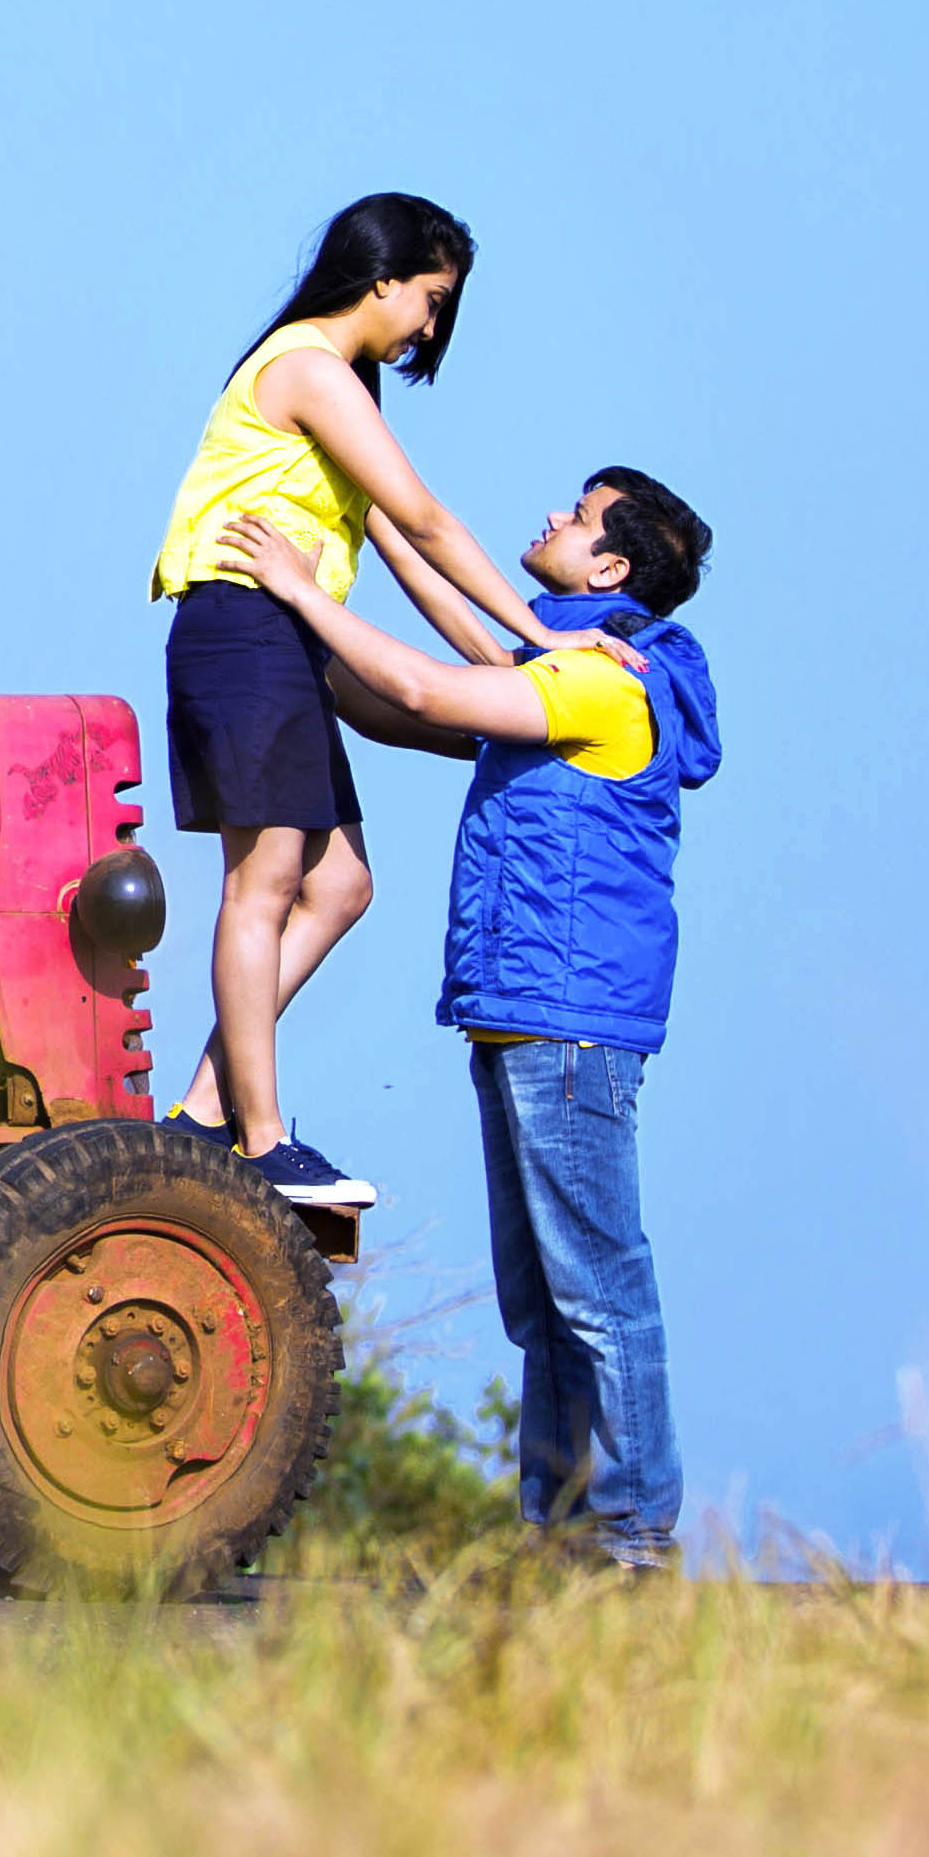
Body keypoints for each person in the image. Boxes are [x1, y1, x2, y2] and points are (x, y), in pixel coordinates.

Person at [223, 466, 718, 1568]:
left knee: (598, 1290)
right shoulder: (552, 669)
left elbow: (429, 693)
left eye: (577, 517)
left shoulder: (603, 685)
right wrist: (367, 522)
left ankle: (632, 1535)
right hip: (520, 1012)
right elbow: (421, 678)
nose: (551, 518)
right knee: (542, 1302)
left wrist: (303, 591)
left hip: (568, 1020)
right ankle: (561, 1532)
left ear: (610, 568)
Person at [142, 196, 610, 1212]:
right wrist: (545, 639)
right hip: (243, 624)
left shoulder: (347, 385)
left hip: (286, 636)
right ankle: (260, 1138)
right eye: (432, 301)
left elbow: (401, 549)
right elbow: (429, 521)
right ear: (383, 276)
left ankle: (204, 1111)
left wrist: (507, 666)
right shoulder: (307, 365)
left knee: (342, 884)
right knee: (264, 881)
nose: (431, 329)